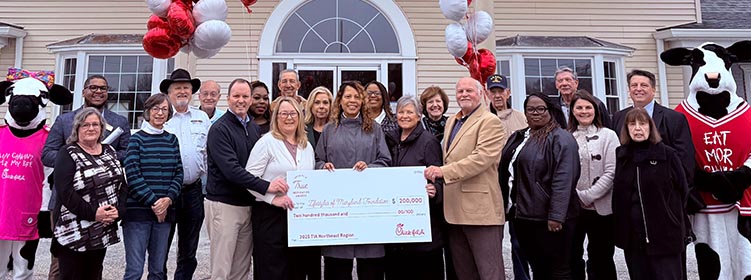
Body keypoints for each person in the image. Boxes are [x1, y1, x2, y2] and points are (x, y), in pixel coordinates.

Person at [42, 74, 130, 279]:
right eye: (93, 87)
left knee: (93, 267)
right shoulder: (64, 120)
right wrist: (75, 160)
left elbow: (128, 153)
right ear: (83, 91)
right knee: (61, 266)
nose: (98, 91)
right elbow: (47, 154)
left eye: (103, 88)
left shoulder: (120, 122)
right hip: (68, 206)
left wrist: (101, 157)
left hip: (104, 207)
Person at [205, 78, 288, 279]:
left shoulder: (252, 128)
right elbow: (232, 170)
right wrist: (267, 186)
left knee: (242, 268)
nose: (241, 100)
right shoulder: (219, 129)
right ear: (228, 99)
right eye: (236, 96)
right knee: (222, 268)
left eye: (245, 96)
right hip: (224, 205)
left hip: (247, 205)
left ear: (250, 100)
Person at [424, 77, 506, 280]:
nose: (464, 94)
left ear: (481, 94)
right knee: (464, 272)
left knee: (489, 272)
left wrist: (444, 172)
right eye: (460, 91)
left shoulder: (490, 121)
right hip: (453, 211)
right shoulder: (453, 120)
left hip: (479, 210)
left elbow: (482, 159)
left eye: (469, 90)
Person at [499, 92, 580, 279]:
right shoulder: (519, 137)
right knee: (538, 267)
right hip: (524, 216)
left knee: (558, 270)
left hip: (550, 220)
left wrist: (556, 216)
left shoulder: (561, 138)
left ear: (550, 110)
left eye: (541, 108)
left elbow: (564, 180)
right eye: (530, 109)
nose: (535, 113)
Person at [315, 81, 391, 280]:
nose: (352, 101)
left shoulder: (374, 129)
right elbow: (316, 160)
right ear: (340, 101)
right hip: (337, 212)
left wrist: (369, 167)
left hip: (369, 211)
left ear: (363, 101)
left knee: (371, 270)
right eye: (348, 96)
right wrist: (323, 166)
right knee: (337, 271)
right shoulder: (329, 130)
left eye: (357, 97)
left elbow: (385, 161)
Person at [245, 97, 320, 280]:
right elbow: (248, 179)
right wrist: (272, 198)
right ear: (276, 117)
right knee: (272, 269)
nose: (288, 118)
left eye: (293, 113)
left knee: (297, 268)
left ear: (300, 117)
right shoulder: (266, 142)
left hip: (298, 217)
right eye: (283, 113)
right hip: (270, 216)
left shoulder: (306, 146)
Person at [612, 108, 688, 280]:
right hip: (633, 238)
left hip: (664, 236)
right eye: (632, 124)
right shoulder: (622, 156)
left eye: (642, 123)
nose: (638, 128)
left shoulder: (667, 155)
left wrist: (672, 218)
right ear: (626, 128)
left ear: (650, 127)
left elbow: (683, 190)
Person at [122, 93, 183, 280]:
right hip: (138, 214)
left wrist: (168, 200)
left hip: (164, 215)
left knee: (157, 270)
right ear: (148, 111)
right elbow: (132, 175)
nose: (160, 113)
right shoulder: (136, 139)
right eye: (156, 109)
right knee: (135, 270)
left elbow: (179, 173)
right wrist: (155, 203)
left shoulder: (172, 140)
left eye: (164, 109)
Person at [384, 96, 445, 280]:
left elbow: (438, 175)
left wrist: (435, 190)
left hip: (422, 228)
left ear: (419, 116)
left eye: (410, 112)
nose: (404, 116)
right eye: (401, 112)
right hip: (396, 226)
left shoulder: (428, 142)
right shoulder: (391, 140)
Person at [160, 68, 211, 280]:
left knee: (189, 248)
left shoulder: (202, 118)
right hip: (164, 193)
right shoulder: (159, 117)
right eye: (177, 88)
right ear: (169, 92)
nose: (182, 91)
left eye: (186, 88)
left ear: (191, 92)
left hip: (193, 190)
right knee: (160, 246)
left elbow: (209, 153)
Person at [567, 93, 619, 280]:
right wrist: (576, 196)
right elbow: (563, 174)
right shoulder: (566, 137)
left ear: (595, 110)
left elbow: (612, 171)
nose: (584, 111)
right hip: (573, 207)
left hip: (602, 208)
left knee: (602, 257)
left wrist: (588, 195)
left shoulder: (609, 136)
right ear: (572, 111)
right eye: (579, 108)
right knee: (572, 256)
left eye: (588, 107)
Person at [487, 74, 527, 144]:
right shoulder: (482, 119)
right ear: (488, 94)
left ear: (508, 93)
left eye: (501, 91)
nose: (497, 96)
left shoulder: (521, 118)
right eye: (493, 92)